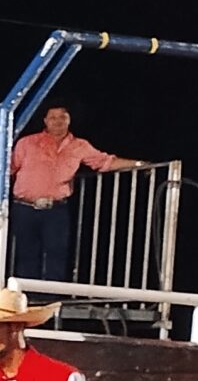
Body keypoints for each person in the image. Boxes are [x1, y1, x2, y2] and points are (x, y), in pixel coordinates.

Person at [9, 103, 144, 283]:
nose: (57, 121)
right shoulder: (27, 143)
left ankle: (52, 297)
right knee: (26, 255)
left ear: (69, 120)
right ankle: (24, 294)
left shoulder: (79, 145)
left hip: (56, 209)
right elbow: (9, 168)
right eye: (53, 117)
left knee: (57, 255)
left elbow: (105, 162)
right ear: (45, 121)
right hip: (25, 207)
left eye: (62, 117)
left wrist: (138, 164)